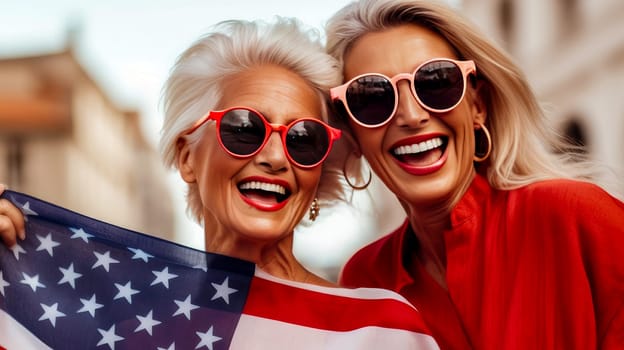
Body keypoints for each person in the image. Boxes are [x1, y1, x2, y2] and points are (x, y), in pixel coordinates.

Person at [1, 17, 440, 349]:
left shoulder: (382, 331)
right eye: (244, 129)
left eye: (303, 139)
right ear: (189, 157)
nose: (273, 157)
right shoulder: (125, 333)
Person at [325, 0, 624, 349]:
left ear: (477, 106)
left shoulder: (575, 217)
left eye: (436, 81)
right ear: (352, 133)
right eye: (372, 97)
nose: (411, 116)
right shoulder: (365, 279)